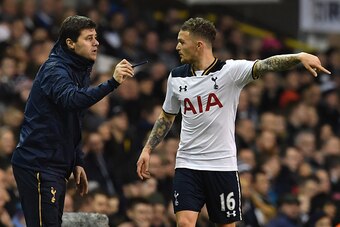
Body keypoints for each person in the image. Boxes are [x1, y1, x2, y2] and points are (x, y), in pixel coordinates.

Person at [136, 17, 330, 227]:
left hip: (222, 165)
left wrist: (298, 56)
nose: (177, 47)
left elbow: (266, 65)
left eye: (182, 42)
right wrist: (148, 148)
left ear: (199, 45)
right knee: (184, 223)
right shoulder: (176, 77)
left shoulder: (231, 72)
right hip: (187, 164)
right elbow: (167, 116)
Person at [11, 15, 134, 227]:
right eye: (89, 38)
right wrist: (112, 82)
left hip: (56, 164)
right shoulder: (54, 69)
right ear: (70, 43)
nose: (96, 42)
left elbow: (74, 118)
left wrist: (76, 160)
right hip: (38, 164)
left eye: (95, 37)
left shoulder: (78, 68)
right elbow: (72, 100)